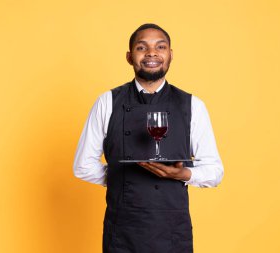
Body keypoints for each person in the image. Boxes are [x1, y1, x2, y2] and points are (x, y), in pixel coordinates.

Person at [73, 23, 224, 253]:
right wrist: (121, 178)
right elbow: (82, 166)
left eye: (160, 47)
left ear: (170, 55)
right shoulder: (107, 102)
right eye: (142, 47)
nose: (151, 53)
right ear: (129, 56)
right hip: (123, 230)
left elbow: (215, 171)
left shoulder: (193, 105)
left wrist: (184, 174)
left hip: (172, 231)